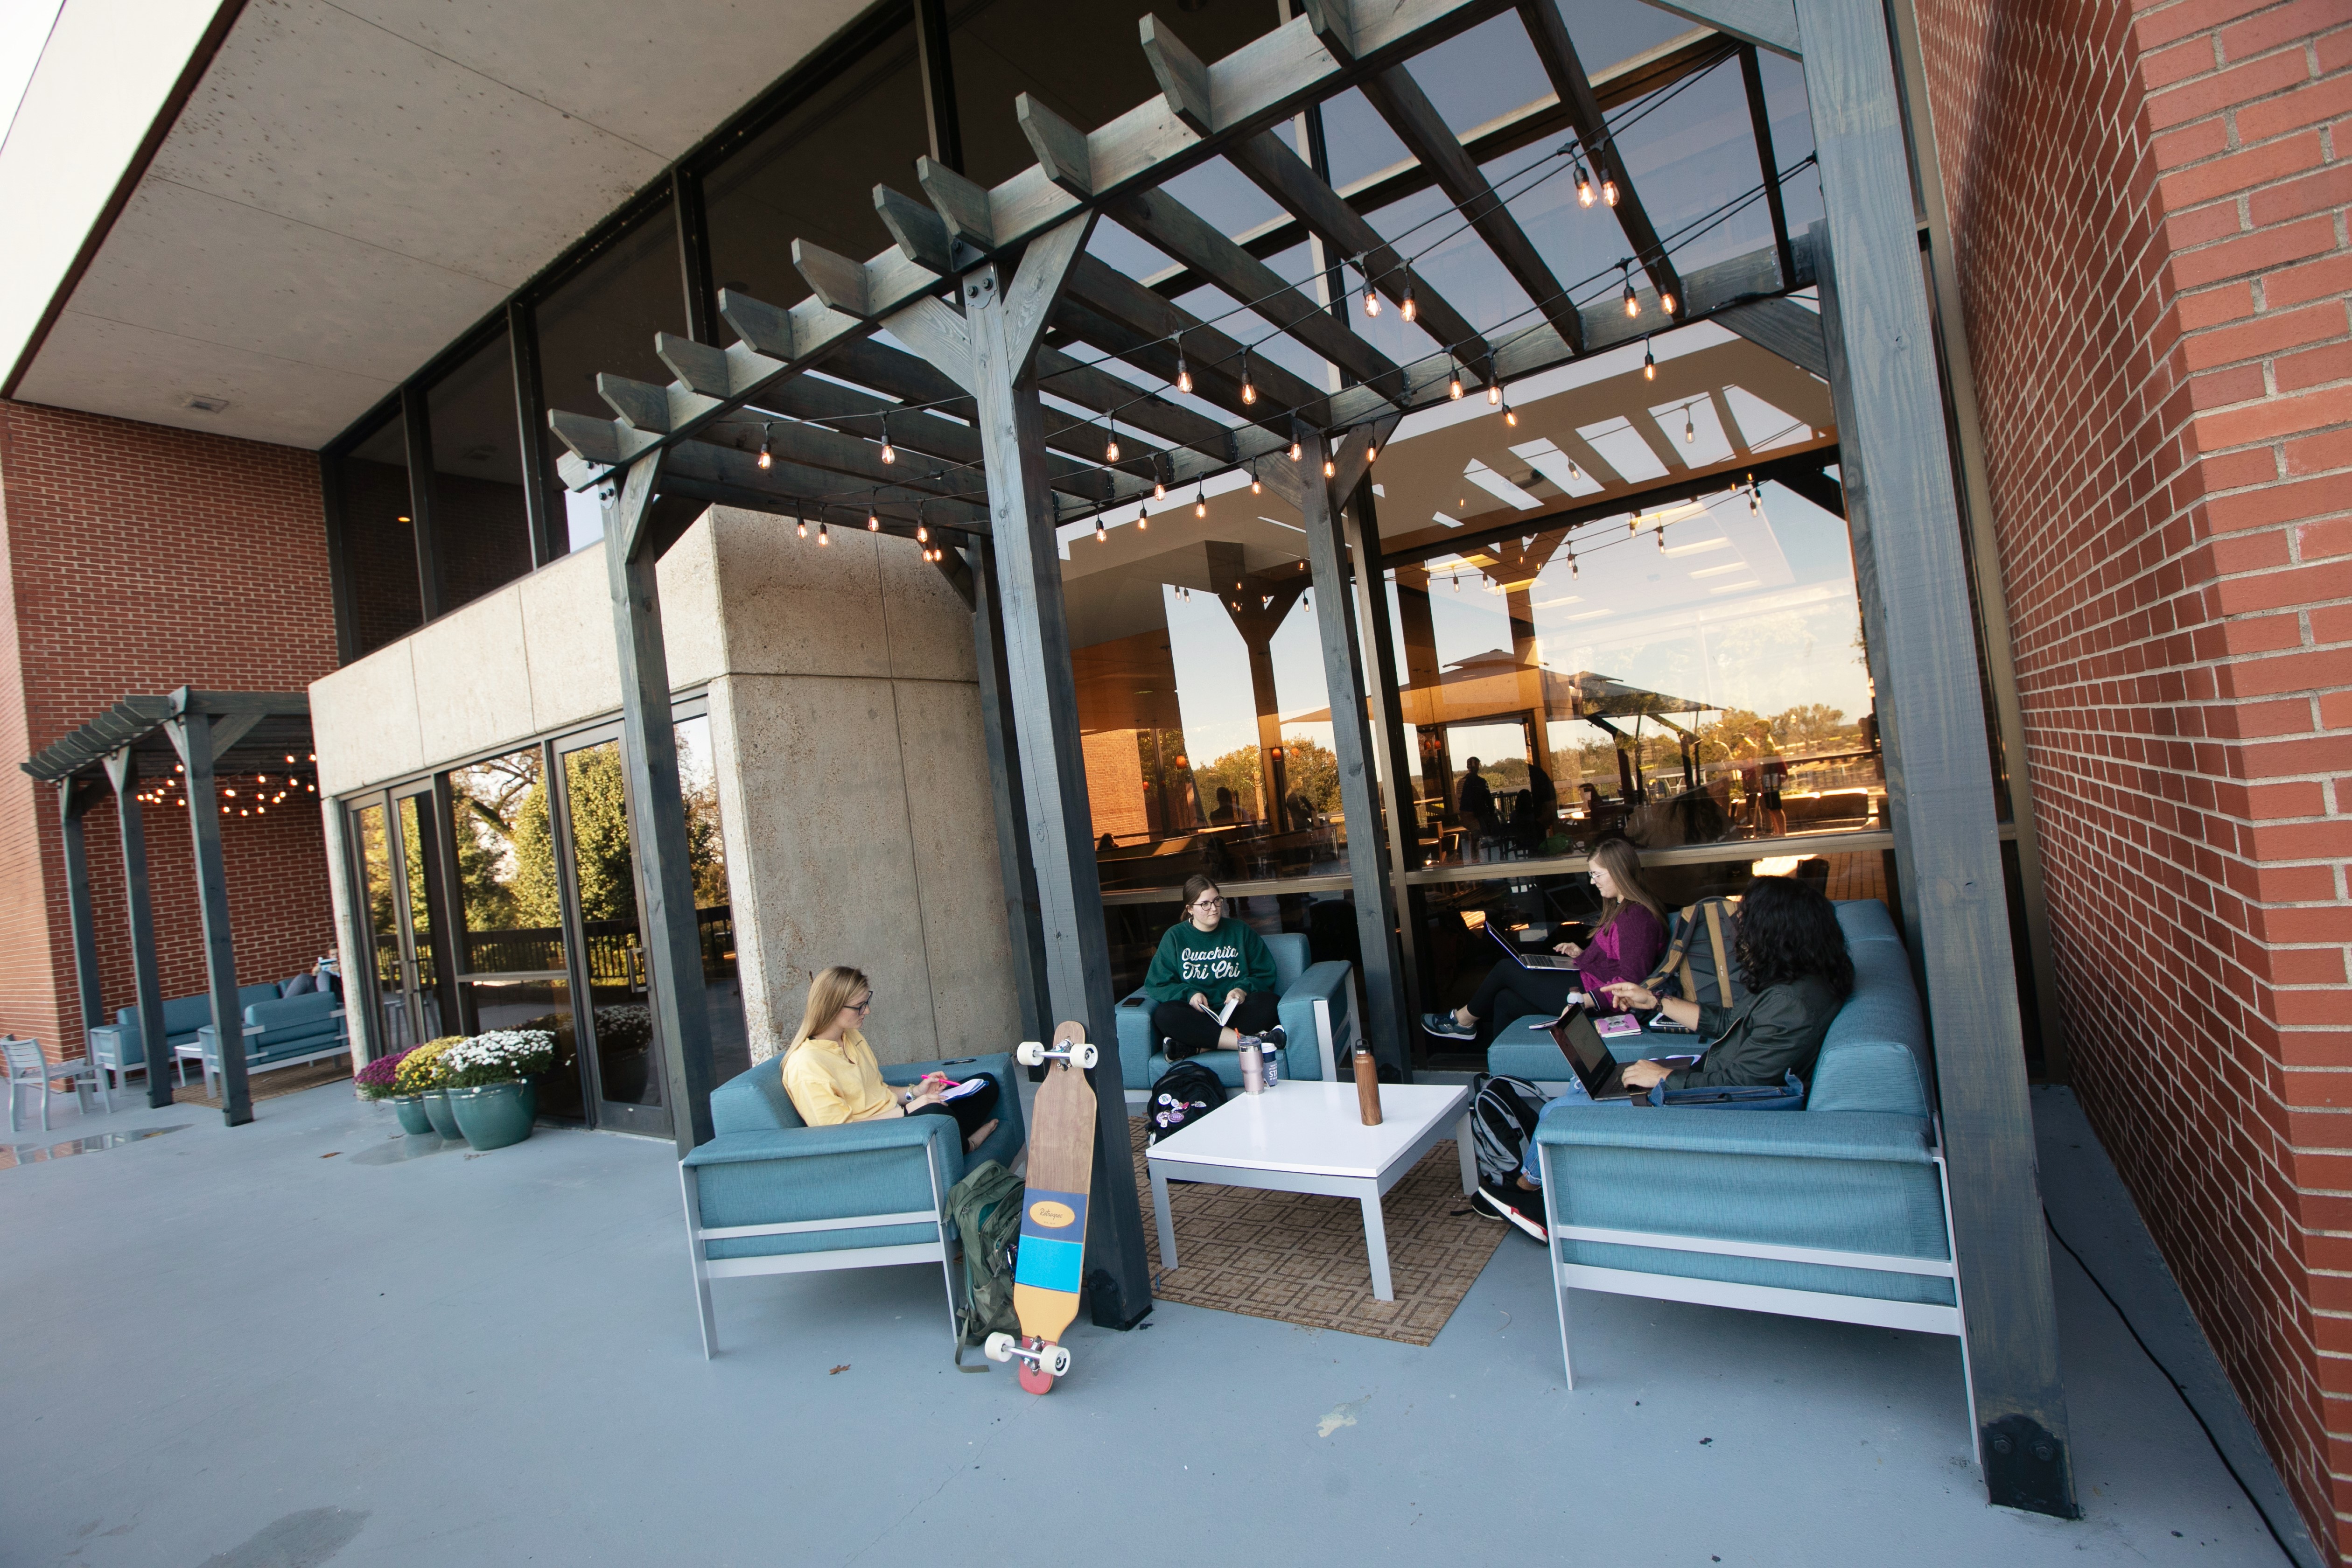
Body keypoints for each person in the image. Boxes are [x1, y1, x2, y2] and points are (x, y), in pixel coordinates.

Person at [1475, 875, 1852, 1238]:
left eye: (1747, 923)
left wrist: (1664, 1078)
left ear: (1777, 932)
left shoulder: (1792, 1003)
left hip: (1718, 1109)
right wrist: (1655, 1000)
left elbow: (1743, 1085)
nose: (1740, 933)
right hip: (1715, 1083)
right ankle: (1552, 1170)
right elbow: (1730, 1022)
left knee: (1561, 1113)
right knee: (1585, 1085)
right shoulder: (1802, 982)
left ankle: (1528, 1194)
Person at [1422, 839, 1668, 1045]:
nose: (1593, 882)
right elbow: (1616, 959)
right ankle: (1503, 1077)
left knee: (1506, 969)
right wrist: (1581, 955)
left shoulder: (1636, 917)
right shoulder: (1623, 908)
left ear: (1619, 871)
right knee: (1505, 1000)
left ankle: (1462, 1021)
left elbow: (1632, 979)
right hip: (1591, 982)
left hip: (1601, 999)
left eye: (1596, 874)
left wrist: (1584, 1001)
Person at [779, 965, 1000, 1152]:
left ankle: (953, 1140)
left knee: (985, 1084)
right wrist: (908, 1112)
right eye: (859, 1007)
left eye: (866, 1002)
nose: (867, 1012)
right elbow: (838, 1133)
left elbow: (879, 1090)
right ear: (832, 1008)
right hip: (875, 1138)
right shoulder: (806, 1065)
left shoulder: (850, 1037)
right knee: (936, 1112)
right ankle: (968, 1145)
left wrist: (916, 1093)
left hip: (896, 1118)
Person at [1142, 875, 1287, 1062]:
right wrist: (1190, 994)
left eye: (1217, 900)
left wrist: (1242, 990)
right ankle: (1251, 1042)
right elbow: (1157, 983)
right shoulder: (1175, 937)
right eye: (1205, 904)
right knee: (1165, 1015)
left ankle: (1196, 1048)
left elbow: (1264, 972)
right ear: (1190, 909)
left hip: (1236, 1012)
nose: (1214, 908)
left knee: (1271, 1003)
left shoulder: (1240, 931)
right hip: (1197, 1016)